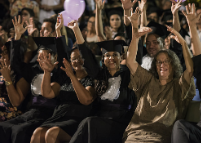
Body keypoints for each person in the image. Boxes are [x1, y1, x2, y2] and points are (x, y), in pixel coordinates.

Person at [123, 6, 195, 143]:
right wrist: (135, 36)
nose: (162, 65)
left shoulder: (178, 86)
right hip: (136, 134)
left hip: (160, 137)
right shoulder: (148, 80)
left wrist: (184, 44)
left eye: (166, 61)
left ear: (173, 65)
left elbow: (190, 70)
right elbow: (130, 61)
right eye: (159, 62)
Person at [65, 18, 136, 143]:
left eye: (115, 55)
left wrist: (131, 23)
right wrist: (76, 29)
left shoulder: (128, 74)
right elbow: (86, 54)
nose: (111, 58)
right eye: (107, 55)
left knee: (90, 122)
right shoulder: (100, 75)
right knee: (89, 123)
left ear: (121, 57)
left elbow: (134, 51)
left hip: (120, 122)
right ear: (103, 59)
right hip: (100, 120)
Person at [30, 14, 94, 143]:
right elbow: (47, 93)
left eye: (80, 58)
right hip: (57, 117)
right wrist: (47, 72)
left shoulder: (91, 79)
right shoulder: (64, 79)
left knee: (51, 134)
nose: (77, 61)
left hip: (76, 119)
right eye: (74, 59)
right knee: (37, 133)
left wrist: (72, 76)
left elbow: (86, 100)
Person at [0, 17, 62, 143]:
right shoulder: (33, 70)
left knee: (19, 131)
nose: (42, 59)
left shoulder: (59, 73)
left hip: (47, 114)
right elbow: (16, 65)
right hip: (30, 112)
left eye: (46, 56)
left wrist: (59, 34)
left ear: (54, 57)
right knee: (3, 127)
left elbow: (63, 54)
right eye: (40, 57)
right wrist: (17, 36)